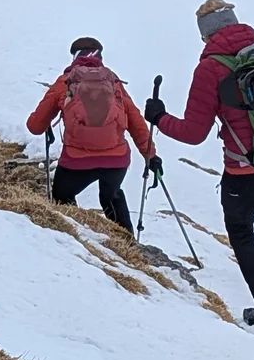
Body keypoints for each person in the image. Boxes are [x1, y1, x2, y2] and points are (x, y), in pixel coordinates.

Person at [146, 0, 254, 329]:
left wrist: (159, 118)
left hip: (247, 167)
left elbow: (193, 132)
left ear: (206, 35)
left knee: (241, 228)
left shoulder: (211, 67)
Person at [26, 37, 160, 234]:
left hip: (76, 160)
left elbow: (35, 126)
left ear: (74, 56)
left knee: (62, 195)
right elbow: (135, 120)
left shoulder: (64, 83)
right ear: (100, 56)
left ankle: (71, 236)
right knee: (111, 196)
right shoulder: (113, 83)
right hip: (116, 159)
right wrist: (151, 155)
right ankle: (127, 244)